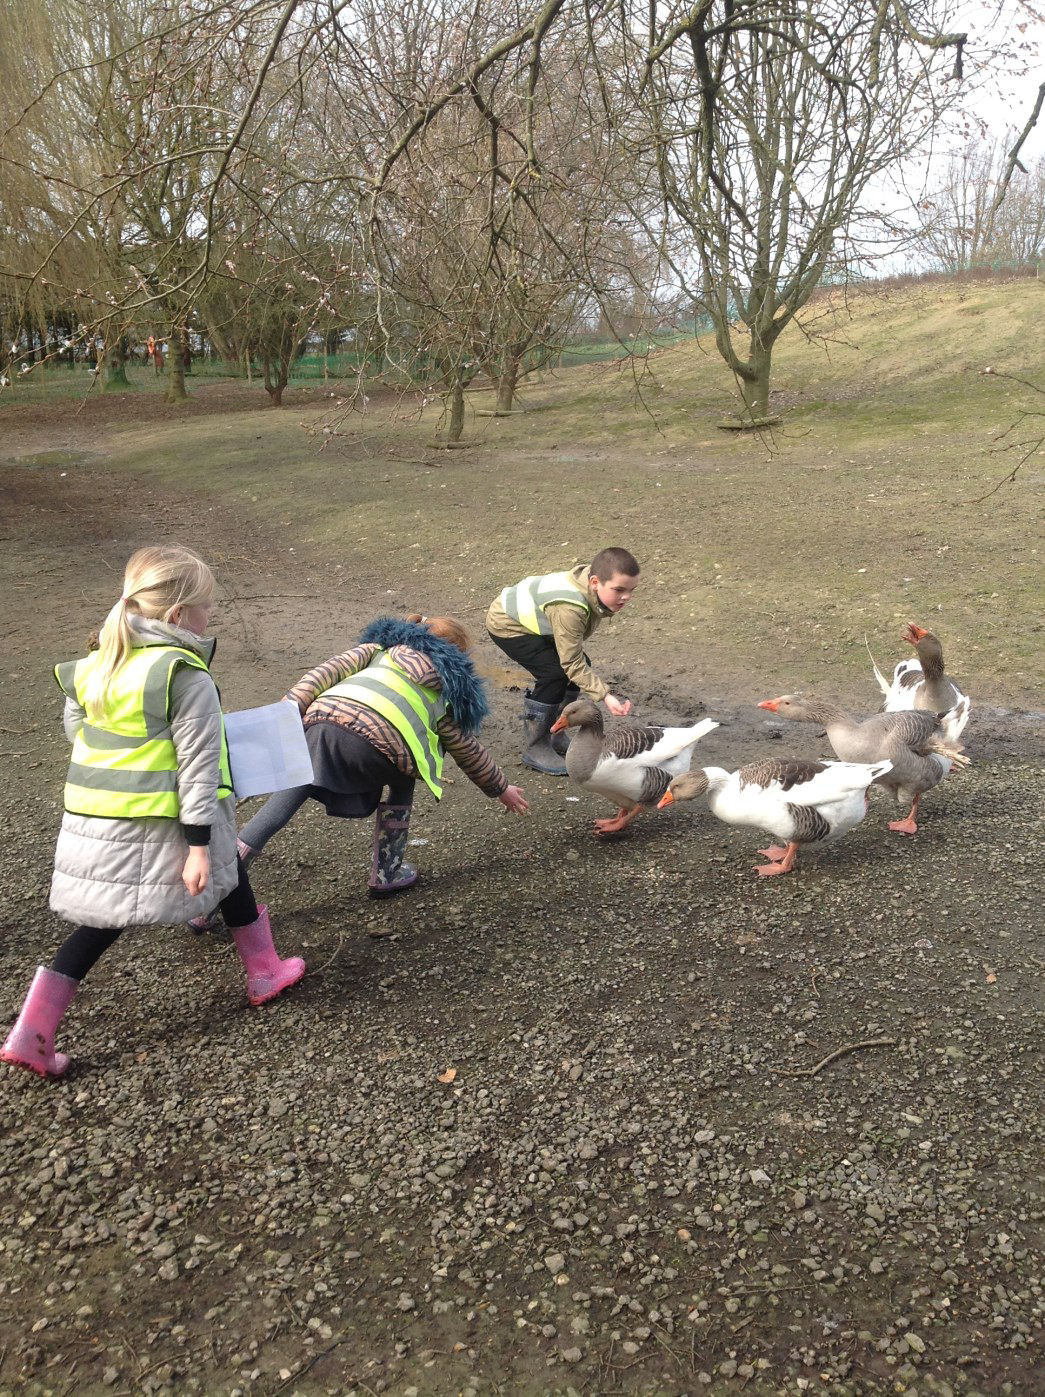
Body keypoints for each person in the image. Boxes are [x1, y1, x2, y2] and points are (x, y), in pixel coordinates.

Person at [1, 545, 305, 1080]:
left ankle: (31, 1031)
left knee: (109, 915)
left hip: (96, 816)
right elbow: (198, 765)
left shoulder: (96, 661)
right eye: (206, 606)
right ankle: (263, 971)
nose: (210, 617)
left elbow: (80, 733)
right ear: (176, 615)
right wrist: (195, 845)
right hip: (167, 818)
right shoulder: (184, 675)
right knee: (201, 872)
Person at [226, 614, 528, 904]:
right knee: (404, 776)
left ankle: (216, 890)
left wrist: (286, 711)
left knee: (293, 788)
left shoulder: (376, 651)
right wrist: (501, 789)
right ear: (458, 656)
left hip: (321, 725)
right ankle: (387, 871)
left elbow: (323, 673)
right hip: (381, 748)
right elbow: (467, 749)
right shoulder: (444, 692)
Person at [485, 547, 640, 775]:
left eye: (631, 590)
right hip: (507, 624)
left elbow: (575, 658)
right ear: (595, 581)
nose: (626, 597)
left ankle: (556, 733)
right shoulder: (570, 608)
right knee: (555, 674)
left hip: (536, 624)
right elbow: (571, 663)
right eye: (619, 590)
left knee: (576, 668)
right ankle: (536, 746)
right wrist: (605, 695)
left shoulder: (592, 584)